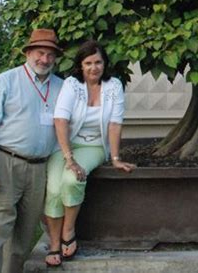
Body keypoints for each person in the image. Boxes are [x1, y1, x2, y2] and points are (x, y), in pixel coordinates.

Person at [0, 28, 64, 273]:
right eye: (40, 52)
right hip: (5, 163)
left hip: (39, 168)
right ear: (28, 52)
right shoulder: (6, 80)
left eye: (50, 55)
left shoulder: (61, 86)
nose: (44, 59)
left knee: (24, 239)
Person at [44, 39, 135, 267]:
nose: (94, 67)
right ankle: (54, 243)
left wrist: (115, 158)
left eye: (98, 62)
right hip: (66, 146)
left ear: (104, 64)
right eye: (88, 63)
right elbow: (60, 120)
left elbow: (115, 124)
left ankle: (68, 230)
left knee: (72, 179)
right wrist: (69, 158)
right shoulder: (72, 85)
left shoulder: (114, 86)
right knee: (54, 188)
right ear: (80, 66)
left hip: (93, 146)